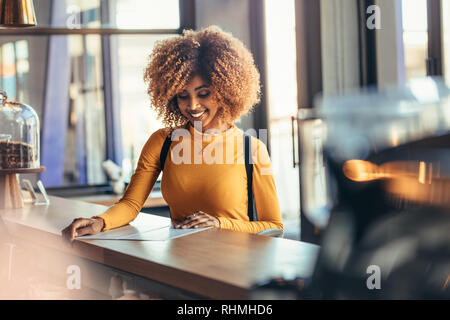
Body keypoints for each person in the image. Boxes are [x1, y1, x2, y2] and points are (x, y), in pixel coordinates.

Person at [62, 26, 283, 242]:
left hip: (235, 269)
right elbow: (130, 205)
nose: (193, 105)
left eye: (203, 93)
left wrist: (220, 224)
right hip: (179, 264)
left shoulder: (252, 149)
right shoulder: (163, 142)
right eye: (182, 96)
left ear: (225, 91)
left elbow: (273, 226)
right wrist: (100, 222)